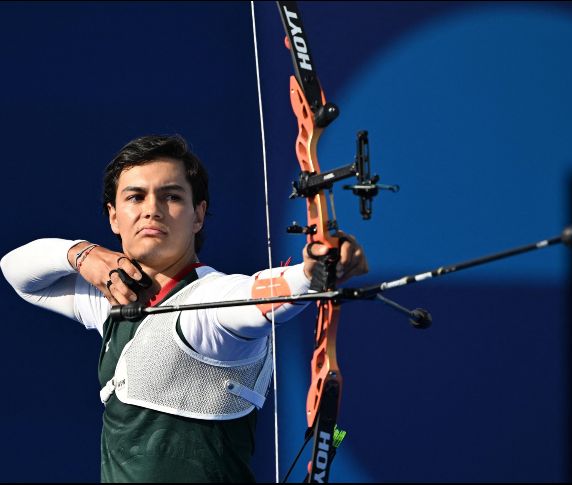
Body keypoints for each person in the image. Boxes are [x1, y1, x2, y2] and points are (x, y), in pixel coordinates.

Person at [0, 134, 367, 482]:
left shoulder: (210, 302)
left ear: (198, 215)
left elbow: (259, 297)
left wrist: (312, 271)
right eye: (135, 197)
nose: (152, 210)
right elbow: (16, 272)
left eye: (171, 197)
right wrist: (83, 254)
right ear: (114, 217)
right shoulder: (113, 298)